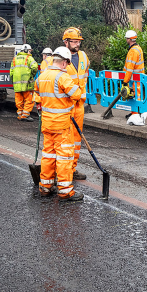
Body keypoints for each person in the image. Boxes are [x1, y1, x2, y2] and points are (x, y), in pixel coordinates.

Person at [33, 46, 85, 202]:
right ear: (64, 63)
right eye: (67, 65)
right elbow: (76, 94)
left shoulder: (42, 76)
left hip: (47, 124)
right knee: (64, 158)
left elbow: (38, 94)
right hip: (62, 125)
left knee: (48, 155)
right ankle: (65, 191)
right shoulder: (62, 77)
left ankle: (45, 187)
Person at [62, 27, 90, 180]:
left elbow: (84, 75)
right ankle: (62, 170)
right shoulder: (59, 57)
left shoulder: (83, 56)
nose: (77, 44)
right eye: (74, 41)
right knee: (64, 138)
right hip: (65, 104)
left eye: (79, 41)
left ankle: (72, 168)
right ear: (66, 42)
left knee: (77, 138)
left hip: (79, 104)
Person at [122, 30, 147, 125]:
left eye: (126, 39)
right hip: (138, 78)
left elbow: (130, 68)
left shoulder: (133, 51)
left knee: (135, 96)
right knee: (137, 96)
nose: (126, 40)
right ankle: (134, 112)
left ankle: (136, 114)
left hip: (134, 79)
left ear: (129, 39)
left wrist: (125, 81)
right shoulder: (138, 48)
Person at [9, 44, 39, 121]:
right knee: (29, 99)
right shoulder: (29, 58)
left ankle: (20, 114)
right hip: (27, 84)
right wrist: (32, 75)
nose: (30, 52)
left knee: (19, 100)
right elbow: (35, 67)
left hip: (17, 85)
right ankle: (25, 115)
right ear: (27, 50)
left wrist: (14, 80)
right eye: (30, 51)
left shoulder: (14, 59)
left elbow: (11, 72)